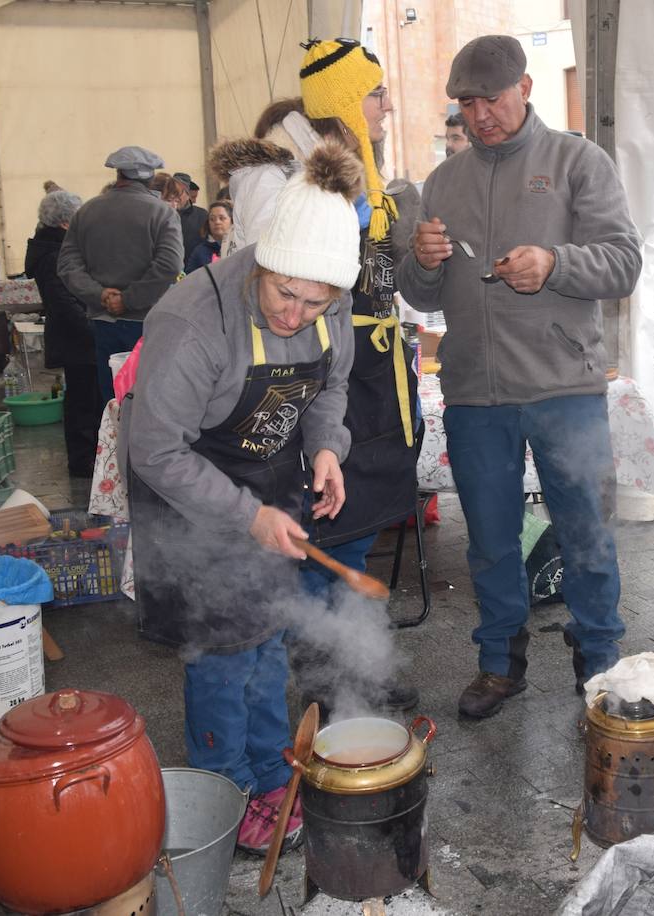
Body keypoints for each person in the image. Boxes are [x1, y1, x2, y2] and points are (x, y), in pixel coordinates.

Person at [124, 143, 361, 855]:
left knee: (268, 638)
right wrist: (244, 515)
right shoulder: (193, 320)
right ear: (260, 263)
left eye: (316, 302)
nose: (297, 314)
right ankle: (223, 799)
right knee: (223, 651)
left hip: (266, 481)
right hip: (187, 491)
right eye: (285, 294)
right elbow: (156, 447)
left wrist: (327, 448)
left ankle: (268, 776)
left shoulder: (326, 304)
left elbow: (330, 388)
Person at [398, 34, 642, 719]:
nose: (480, 115)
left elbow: (623, 262)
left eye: (492, 99)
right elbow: (421, 295)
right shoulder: (443, 183)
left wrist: (554, 264)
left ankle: (599, 659)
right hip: (476, 393)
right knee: (490, 542)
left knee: (587, 533)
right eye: (468, 103)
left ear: (526, 88)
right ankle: (499, 661)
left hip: (565, 387)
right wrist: (420, 259)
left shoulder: (576, 161)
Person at [209, 38, 422, 714]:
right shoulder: (273, 176)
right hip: (315, 381)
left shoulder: (365, 170)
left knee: (355, 532)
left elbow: (378, 279)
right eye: (376, 92)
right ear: (342, 101)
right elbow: (271, 300)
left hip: (373, 380)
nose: (386, 105)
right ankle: (322, 680)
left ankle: (357, 660)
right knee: (314, 539)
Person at [58, 145, 183, 406]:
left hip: (104, 320)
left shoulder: (87, 211)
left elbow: (68, 264)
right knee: (151, 396)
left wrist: (100, 295)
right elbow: (170, 264)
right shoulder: (162, 212)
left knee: (114, 398)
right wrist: (129, 299)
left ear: (119, 174)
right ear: (150, 177)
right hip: (147, 320)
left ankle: (116, 445)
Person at [26, 190, 101, 478]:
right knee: (82, 401)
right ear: (66, 222)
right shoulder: (54, 253)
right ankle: (82, 461)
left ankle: (87, 456)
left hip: (78, 335)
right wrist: (92, 328)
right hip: (77, 337)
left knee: (86, 399)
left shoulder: (58, 247)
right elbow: (63, 300)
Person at [184, 201, 232, 274]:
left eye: (222, 218)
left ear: (232, 221)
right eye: (212, 219)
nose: (217, 222)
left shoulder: (239, 246)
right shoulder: (200, 251)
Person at [173, 172, 208, 263]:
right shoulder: (162, 215)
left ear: (187, 194)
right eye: (171, 192)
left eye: (179, 193)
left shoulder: (202, 215)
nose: (175, 197)